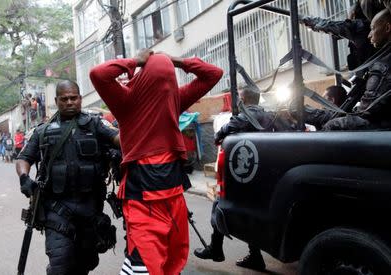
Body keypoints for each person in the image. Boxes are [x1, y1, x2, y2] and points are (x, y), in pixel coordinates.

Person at [90, 50, 223, 274]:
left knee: (165, 261)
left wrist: (136, 62)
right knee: (151, 262)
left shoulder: (150, 99)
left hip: (164, 192)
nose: (166, 83)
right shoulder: (142, 100)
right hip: (148, 194)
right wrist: (179, 62)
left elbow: (99, 74)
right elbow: (213, 74)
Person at [15, 80, 119, 275]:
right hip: (57, 210)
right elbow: (24, 159)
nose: (70, 102)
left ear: (80, 99)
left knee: (85, 264)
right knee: (60, 266)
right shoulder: (42, 131)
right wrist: (24, 178)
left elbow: (120, 140)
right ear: (56, 101)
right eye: (64, 99)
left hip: (91, 210)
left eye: (73, 98)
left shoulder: (96, 125)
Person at [195, 87, 297, 271]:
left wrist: (220, 136)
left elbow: (223, 132)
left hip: (249, 174)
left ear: (243, 100)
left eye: (240, 99)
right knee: (250, 212)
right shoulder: (272, 116)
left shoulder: (246, 116)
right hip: (271, 174)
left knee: (221, 205)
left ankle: (216, 249)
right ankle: (252, 256)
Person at [321, 8, 391, 130]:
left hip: (383, 125)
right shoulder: (382, 58)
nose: (369, 35)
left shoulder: (382, 64)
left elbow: (365, 112)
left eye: (373, 28)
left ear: (387, 28)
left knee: (332, 126)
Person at [301, 0, 377, 70]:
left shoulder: (358, 27)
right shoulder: (372, 25)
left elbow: (326, 25)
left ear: (353, 15)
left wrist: (306, 21)